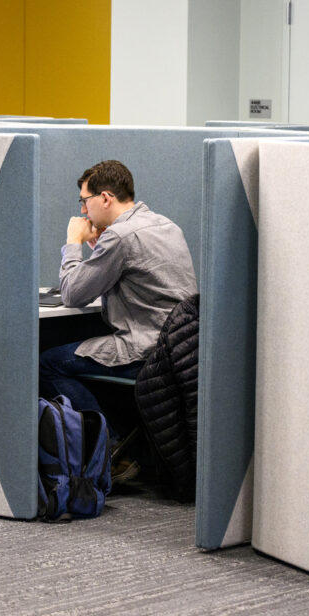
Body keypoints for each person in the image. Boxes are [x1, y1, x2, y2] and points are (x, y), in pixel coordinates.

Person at [38, 160, 198, 442]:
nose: (82, 210)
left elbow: (72, 294)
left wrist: (73, 242)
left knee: (48, 363)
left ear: (105, 198)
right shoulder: (165, 225)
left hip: (145, 351)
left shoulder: (120, 236)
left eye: (85, 201)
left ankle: (111, 448)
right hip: (179, 352)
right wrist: (99, 251)